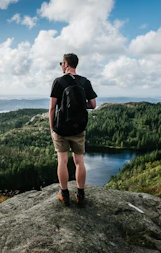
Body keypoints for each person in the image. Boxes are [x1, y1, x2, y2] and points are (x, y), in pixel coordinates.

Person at [49, 53, 97, 206]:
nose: (61, 66)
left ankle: (64, 194)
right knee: (79, 161)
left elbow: (52, 108)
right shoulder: (85, 82)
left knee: (62, 161)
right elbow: (93, 105)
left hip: (61, 128)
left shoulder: (59, 81)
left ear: (66, 64)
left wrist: (52, 128)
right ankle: (80, 194)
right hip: (78, 128)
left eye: (61, 63)